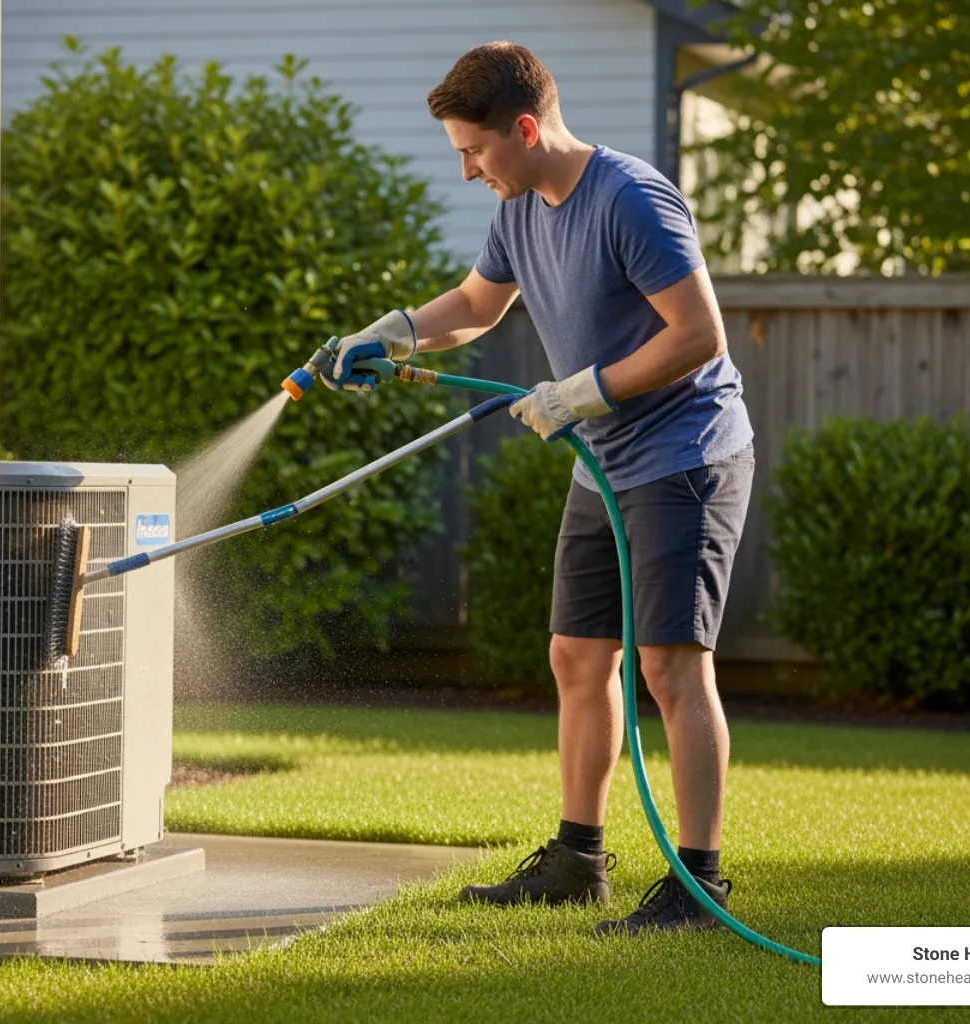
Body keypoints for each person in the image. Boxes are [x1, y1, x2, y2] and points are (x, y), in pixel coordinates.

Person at [319, 41, 756, 937]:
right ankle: (576, 860)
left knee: (670, 667)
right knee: (575, 656)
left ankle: (701, 885)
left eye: (474, 150)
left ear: (525, 128)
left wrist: (581, 391)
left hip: (686, 454)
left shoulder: (631, 197)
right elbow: (478, 305)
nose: (469, 169)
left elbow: (699, 335)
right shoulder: (521, 209)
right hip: (602, 460)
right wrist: (390, 333)